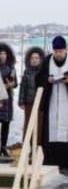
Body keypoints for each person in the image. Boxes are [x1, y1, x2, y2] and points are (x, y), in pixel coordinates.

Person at [36, 36, 68, 169]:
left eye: (61, 51)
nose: (58, 54)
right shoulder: (47, 61)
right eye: (56, 51)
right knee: (51, 131)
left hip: (66, 102)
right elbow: (38, 78)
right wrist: (47, 80)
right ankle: (50, 160)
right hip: (52, 100)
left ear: (66, 50)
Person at [0, 42, 18, 157]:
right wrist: (2, 86)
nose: (3, 56)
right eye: (1, 53)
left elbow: (16, 83)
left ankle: (3, 147)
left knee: (6, 124)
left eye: (4, 53)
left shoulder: (11, 68)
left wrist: (11, 84)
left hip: (8, 99)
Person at [18, 47, 45, 138]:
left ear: (40, 60)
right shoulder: (27, 72)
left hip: (41, 103)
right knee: (29, 123)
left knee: (39, 124)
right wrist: (21, 102)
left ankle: (38, 145)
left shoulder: (43, 72)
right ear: (29, 60)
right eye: (32, 58)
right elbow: (22, 87)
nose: (34, 60)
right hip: (29, 102)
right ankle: (27, 145)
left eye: (36, 58)